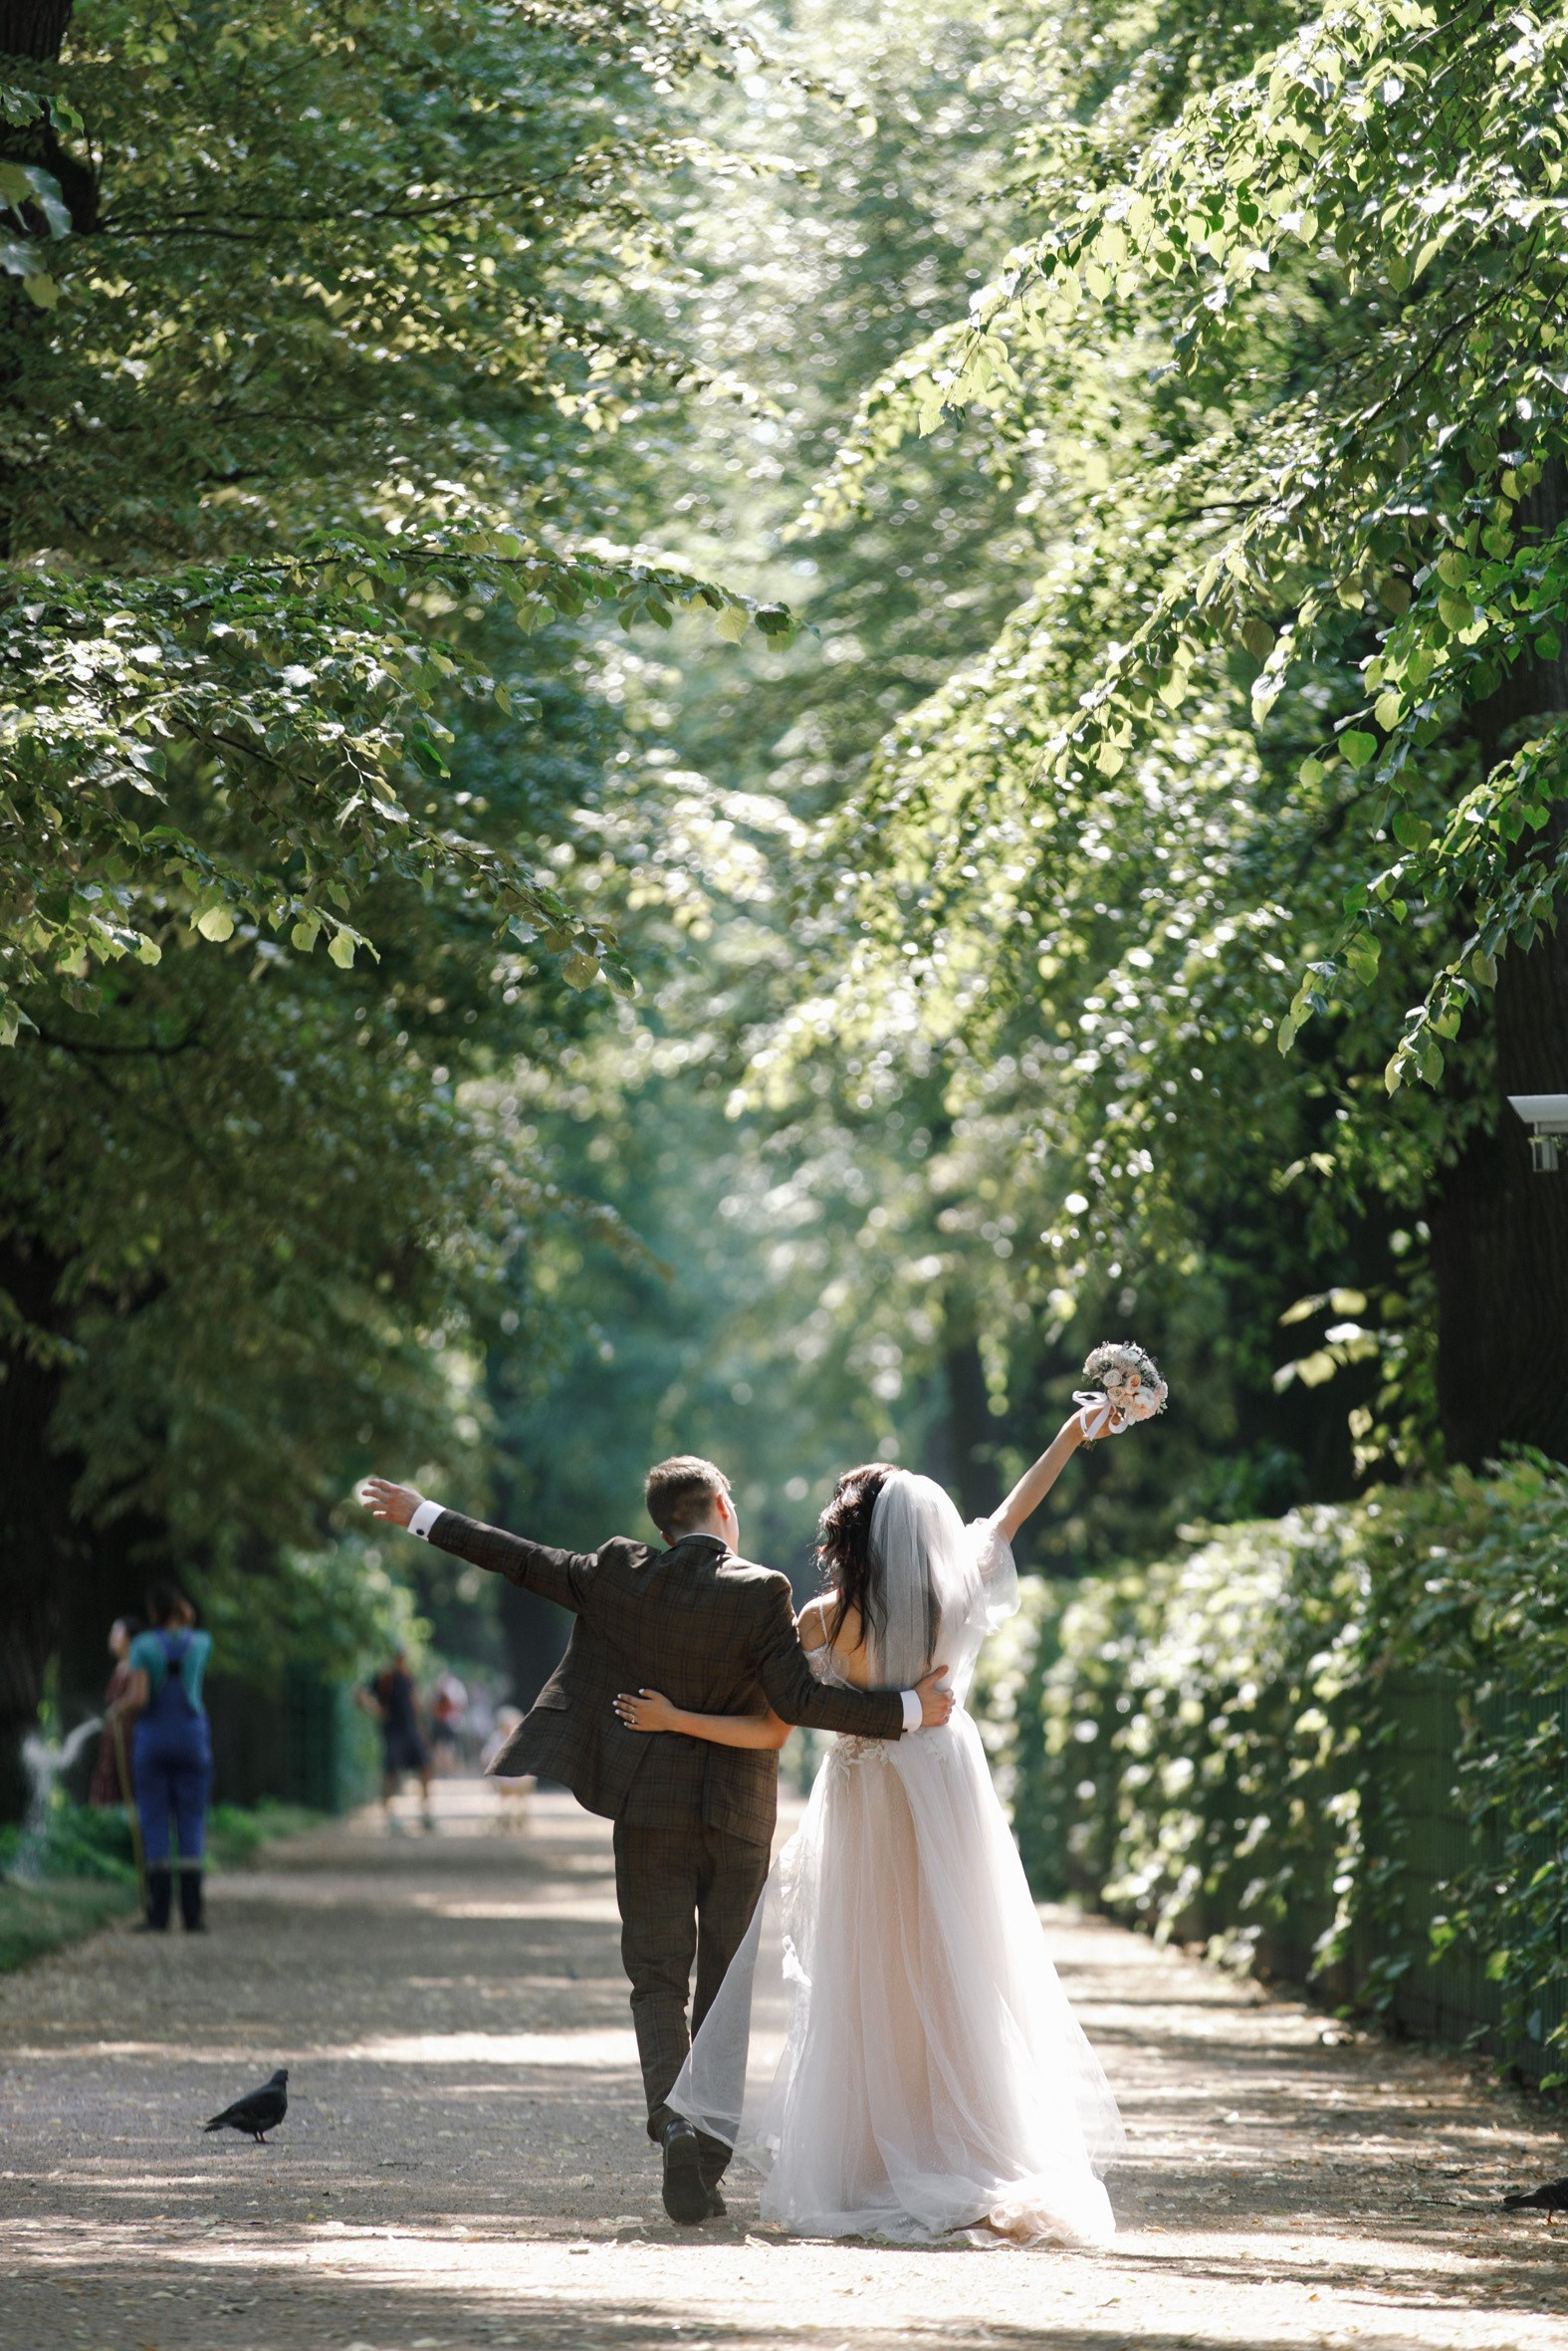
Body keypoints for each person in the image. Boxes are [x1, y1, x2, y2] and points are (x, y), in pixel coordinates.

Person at [360, 1456, 955, 2226]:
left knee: (654, 1978)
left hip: (649, 1809)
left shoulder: (616, 1571)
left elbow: (517, 1557)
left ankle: (672, 2122)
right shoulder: (762, 1589)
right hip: (739, 1814)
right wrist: (909, 1709)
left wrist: (421, 1512)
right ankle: (704, 2158)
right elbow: (799, 1701)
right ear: (717, 1506)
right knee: (722, 1988)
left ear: (663, 1521)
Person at [614, 1391, 1150, 2245]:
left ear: (847, 1535)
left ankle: (870, 2156)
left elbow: (768, 1722)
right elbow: (1014, 1508)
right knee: (957, 1959)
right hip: (943, 1792)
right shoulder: (956, 1592)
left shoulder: (824, 1618)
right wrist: (1072, 1431)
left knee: (865, 1974)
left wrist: (676, 1718)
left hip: (862, 1802)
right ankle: (963, 2135)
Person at [124, 1585, 213, 1934]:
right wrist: (186, 1617)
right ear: (181, 1608)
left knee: (155, 1823)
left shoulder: (142, 1646)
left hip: (153, 1742)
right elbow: (191, 1632)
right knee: (191, 1823)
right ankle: (193, 1915)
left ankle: (158, 1915)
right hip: (192, 1740)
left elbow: (139, 1697)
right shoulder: (202, 1643)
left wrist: (118, 1710)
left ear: (153, 1612)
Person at [356, 1647, 433, 1828]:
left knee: (425, 1767)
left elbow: (415, 1704)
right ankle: (389, 1816)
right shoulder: (384, 1678)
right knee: (390, 1772)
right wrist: (375, 1709)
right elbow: (360, 1694)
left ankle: (425, 1812)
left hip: (410, 1731)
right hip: (393, 1732)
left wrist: (421, 1727)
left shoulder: (408, 1677)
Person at [89, 1615, 143, 1808]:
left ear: (129, 1638)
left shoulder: (137, 1668)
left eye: (116, 1632)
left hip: (128, 1741)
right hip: (113, 1741)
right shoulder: (119, 1668)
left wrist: (118, 1710)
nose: (111, 1637)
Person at [480, 1703, 534, 1827]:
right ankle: (506, 1815)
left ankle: (519, 1816)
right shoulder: (495, 1739)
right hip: (503, 1778)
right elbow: (486, 1757)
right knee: (503, 1783)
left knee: (523, 1781)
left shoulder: (522, 1737)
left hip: (520, 1777)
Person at [430, 1669, 468, 1774]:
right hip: (447, 1722)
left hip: (450, 1722)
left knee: (446, 1747)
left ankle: (446, 1770)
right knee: (445, 1747)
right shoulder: (451, 1688)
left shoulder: (445, 1688)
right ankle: (445, 1770)